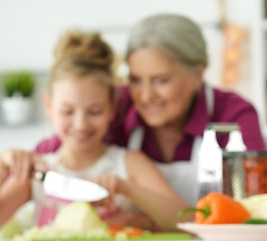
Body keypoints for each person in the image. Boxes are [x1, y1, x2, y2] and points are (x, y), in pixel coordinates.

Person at [0, 31, 189, 240]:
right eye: (68, 111)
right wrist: (0, 166)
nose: (80, 124)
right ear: (49, 106)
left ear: (112, 107)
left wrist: (127, 188)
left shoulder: (128, 164)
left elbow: (188, 222)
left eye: (94, 112)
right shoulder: (39, 173)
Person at [35, 13, 266, 207]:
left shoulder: (234, 116)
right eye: (135, 79)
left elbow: (257, 205)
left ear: (198, 74)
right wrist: (23, 160)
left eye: (161, 80)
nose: (145, 96)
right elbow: (66, 143)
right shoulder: (120, 105)